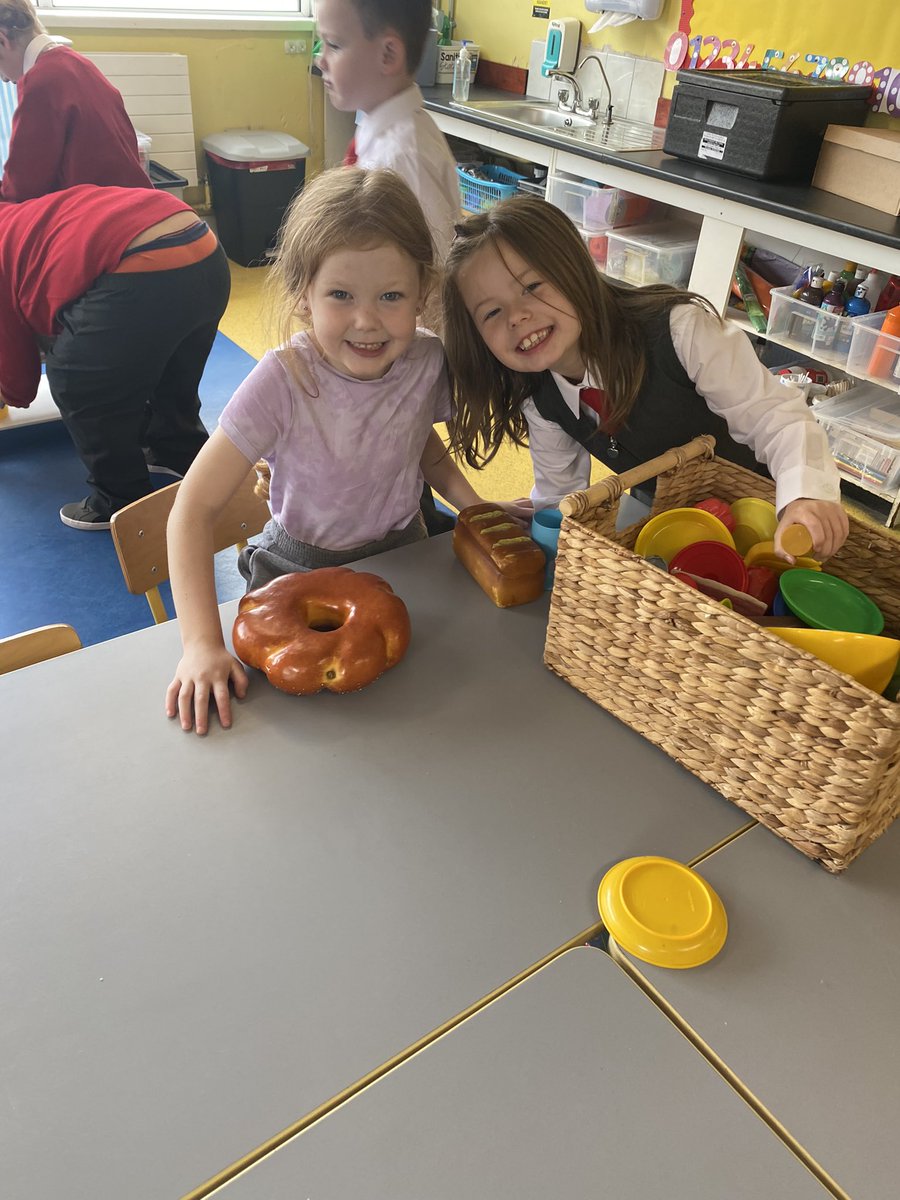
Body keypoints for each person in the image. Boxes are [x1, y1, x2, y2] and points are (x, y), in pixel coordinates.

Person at [165, 167, 525, 735]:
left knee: (426, 714)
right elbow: (192, 510)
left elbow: (415, 443)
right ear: (303, 295)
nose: (367, 320)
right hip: (292, 570)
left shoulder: (426, 361)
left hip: (404, 554)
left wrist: (470, 501)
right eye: (340, 295)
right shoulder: (282, 381)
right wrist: (200, 646)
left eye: (391, 296)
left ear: (421, 294)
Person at [442, 195, 850, 562]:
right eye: (492, 313)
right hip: (670, 520)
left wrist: (804, 496)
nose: (517, 316)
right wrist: (542, 527)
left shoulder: (678, 330)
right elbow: (561, 493)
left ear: (575, 268)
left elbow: (775, 417)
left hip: (770, 520)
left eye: (532, 286)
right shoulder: (539, 397)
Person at [0, 185, 231, 528]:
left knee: (77, 382)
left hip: (143, 270)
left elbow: (16, 378)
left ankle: (119, 500)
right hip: (203, 248)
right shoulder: (20, 215)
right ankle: (176, 447)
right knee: (172, 368)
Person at [315, 0, 460, 261]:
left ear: (388, 55)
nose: (320, 59)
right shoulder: (378, 135)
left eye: (334, 45)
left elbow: (434, 272)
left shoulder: (401, 158)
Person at [0, 0, 151, 202]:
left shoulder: (39, 82)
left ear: (3, 40)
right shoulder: (78, 63)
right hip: (138, 200)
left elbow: (21, 190)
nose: (4, 78)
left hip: (105, 212)